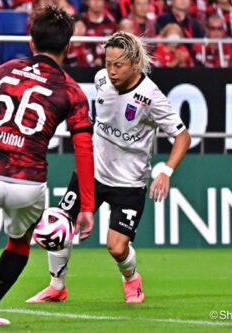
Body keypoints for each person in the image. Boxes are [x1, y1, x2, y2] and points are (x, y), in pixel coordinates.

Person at [0, 6, 95, 326]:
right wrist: (87, 206)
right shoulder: (72, 91)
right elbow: (84, 150)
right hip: (29, 183)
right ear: (69, 46)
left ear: (31, 42)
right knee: (19, 242)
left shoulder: (1, 72)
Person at [27, 31, 191, 304]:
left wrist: (166, 171)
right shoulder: (101, 80)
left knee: (116, 247)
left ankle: (132, 280)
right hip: (92, 173)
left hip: (129, 182)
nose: (111, 71)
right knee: (58, 225)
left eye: (119, 65)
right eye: (108, 63)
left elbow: (183, 137)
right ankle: (57, 286)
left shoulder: (151, 96)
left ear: (135, 64)